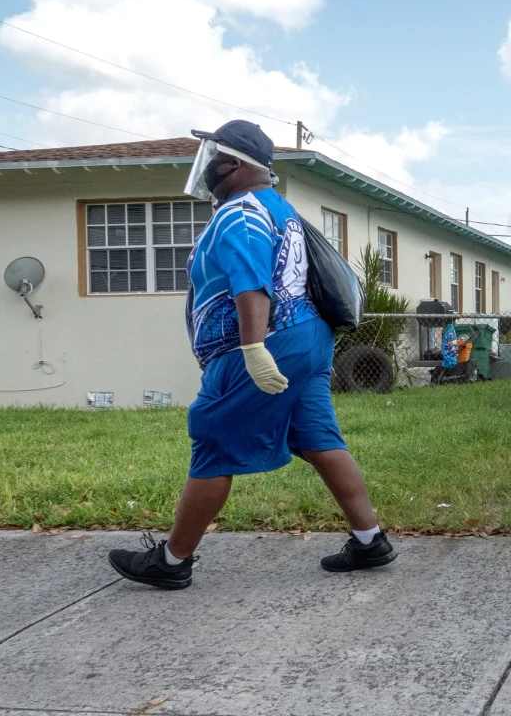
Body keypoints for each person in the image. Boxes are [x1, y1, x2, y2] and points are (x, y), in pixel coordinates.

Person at [109, 120, 395, 590]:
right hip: (307, 338)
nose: (207, 169)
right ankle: (369, 540)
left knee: (214, 438)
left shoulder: (239, 214)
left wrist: (254, 348)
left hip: (269, 342)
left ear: (235, 164)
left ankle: (172, 561)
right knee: (317, 437)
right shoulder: (279, 208)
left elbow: (251, 284)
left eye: (213, 159)